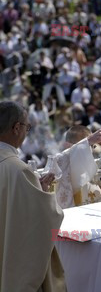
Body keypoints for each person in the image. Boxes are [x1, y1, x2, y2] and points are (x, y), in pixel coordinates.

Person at [0, 101, 65, 291]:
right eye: (27, 127)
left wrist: (37, 188)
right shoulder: (20, 171)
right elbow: (44, 220)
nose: (27, 131)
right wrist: (44, 195)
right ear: (16, 128)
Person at [55, 125, 101, 208]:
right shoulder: (59, 163)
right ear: (68, 147)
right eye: (85, 147)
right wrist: (89, 141)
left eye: (92, 146)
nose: (89, 150)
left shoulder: (94, 165)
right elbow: (62, 157)